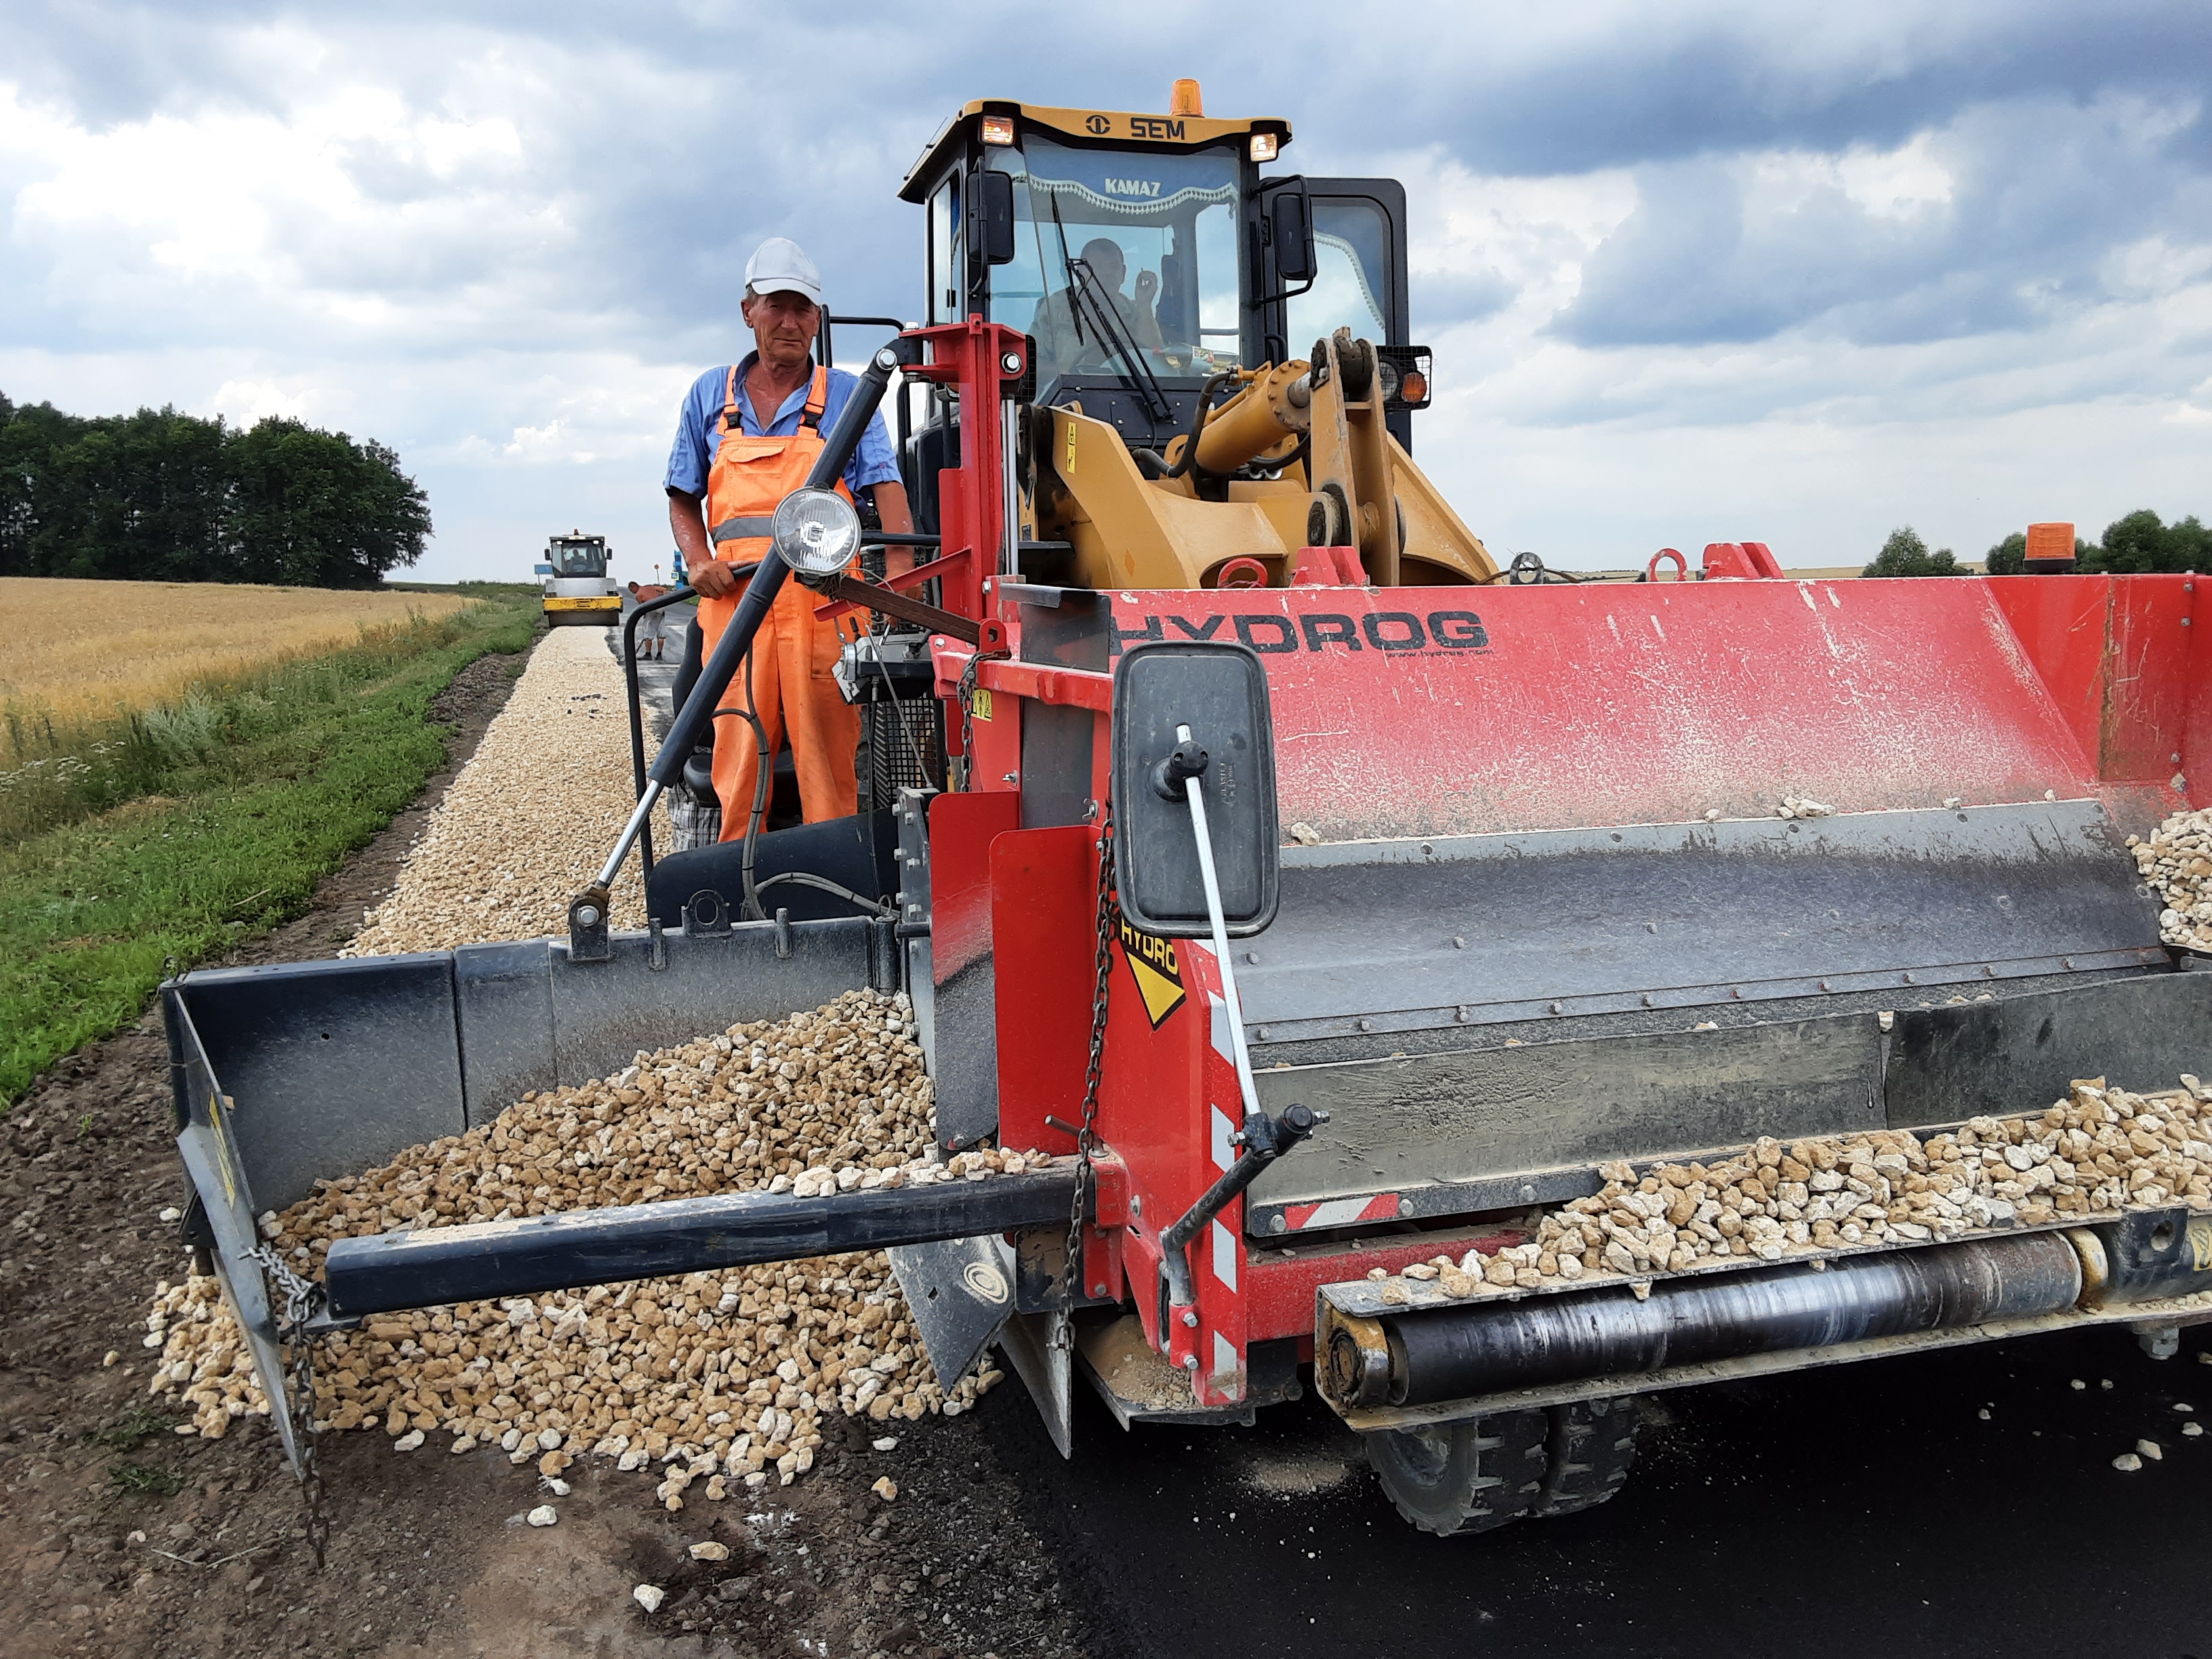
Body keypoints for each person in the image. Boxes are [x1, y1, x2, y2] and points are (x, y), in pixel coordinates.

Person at [665, 236, 912, 837]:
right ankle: (733, 888)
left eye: (803, 308)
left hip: (824, 611)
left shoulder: (849, 395)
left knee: (826, 765)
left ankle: (838, 892)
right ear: (747, 310)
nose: (790, 321)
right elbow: (681, 496)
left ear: (817, 318)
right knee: (738, 760)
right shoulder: (708, 394)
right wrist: (697, 560)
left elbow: (888, 491)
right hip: (734, 612)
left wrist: (902, 593)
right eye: (776, 305)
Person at [1029, 237, 1162, 384]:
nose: (1107, 274)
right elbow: (1031, 362)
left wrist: (1145, 305)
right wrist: (1067, 376)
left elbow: (1156, 360)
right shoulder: (1055, 308)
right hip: (1067, 402)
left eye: (1113, 267)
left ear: (1123, 273)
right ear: (1080, 273)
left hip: (1132, 397)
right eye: (1096, 267)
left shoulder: (1136, 311)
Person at [625, 579, 670, 660]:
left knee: (648, 634)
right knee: (661, 634)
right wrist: (664, 601)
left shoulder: (638, 595)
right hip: (661, 609)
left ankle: (648, 654)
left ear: (634, 587)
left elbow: (642, 608)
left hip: (651, 611)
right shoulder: (650, 587)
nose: (633, 593)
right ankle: (659, 655)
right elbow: (664, 590)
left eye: (632, 590)